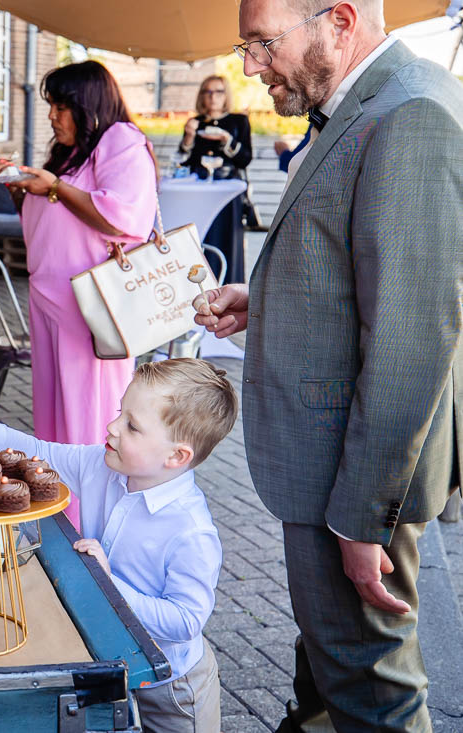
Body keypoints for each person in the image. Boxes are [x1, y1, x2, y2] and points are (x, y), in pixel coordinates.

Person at [196, 1, 463, 730]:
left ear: (339, 20)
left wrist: (360, 520)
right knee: (331, 672)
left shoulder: (408, 114)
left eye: (261, 44)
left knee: (374, 694)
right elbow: (359, 266)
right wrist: (269, 296)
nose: (249, 67)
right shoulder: (370, 101)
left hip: (351, 484)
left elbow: (412, 339)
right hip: (333, 469)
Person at [0, 357, 238, 733]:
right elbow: (37, 451)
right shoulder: (102, 464)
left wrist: (109, 582)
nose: (112, 426)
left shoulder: (192, 532)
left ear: (176, 456)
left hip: (173, 687)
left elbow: (185, 621)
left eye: (132, 426)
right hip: (112, 659)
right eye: (120, 412)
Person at [0, 60, 157, 530]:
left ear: (88, 105)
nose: (53, 116)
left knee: (89, 420)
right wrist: (20, 184)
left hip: (92, 307)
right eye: (51, 106)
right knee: (54, 418)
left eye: (62, 106)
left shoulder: (120, 140)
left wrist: (54, 186)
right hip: (52, 299)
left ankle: (94, 526)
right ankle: (62, 511)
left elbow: (124, 217)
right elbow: (52, 214)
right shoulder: (71, 151)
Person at [178, 75, 253, 283]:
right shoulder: (196, 123)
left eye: (218, 91)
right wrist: (189, 137)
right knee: (202, 237)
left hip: (228, 190)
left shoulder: (238, 121)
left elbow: (245, 159)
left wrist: (227, 140)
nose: (213, 97)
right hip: (199, 190)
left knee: (227, 239)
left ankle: (228, 285)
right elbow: (183, 160)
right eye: (208, 92)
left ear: (226, 94)